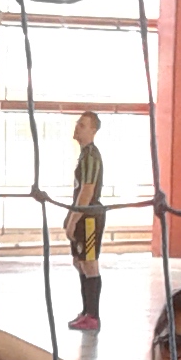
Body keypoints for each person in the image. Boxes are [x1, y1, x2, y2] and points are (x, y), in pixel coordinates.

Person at [63, 112, 105, 331]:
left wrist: (74, 219)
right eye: (78, 123)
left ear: (93, 130)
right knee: (79, 262)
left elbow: (87, 191)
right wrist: (70, 216)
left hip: (90, 217)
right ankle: (86, 310)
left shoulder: (91, 155)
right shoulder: (83, 155)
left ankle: (93, 315)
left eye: (82, 125)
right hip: (82, 214)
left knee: (89, 263)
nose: (77, 127)